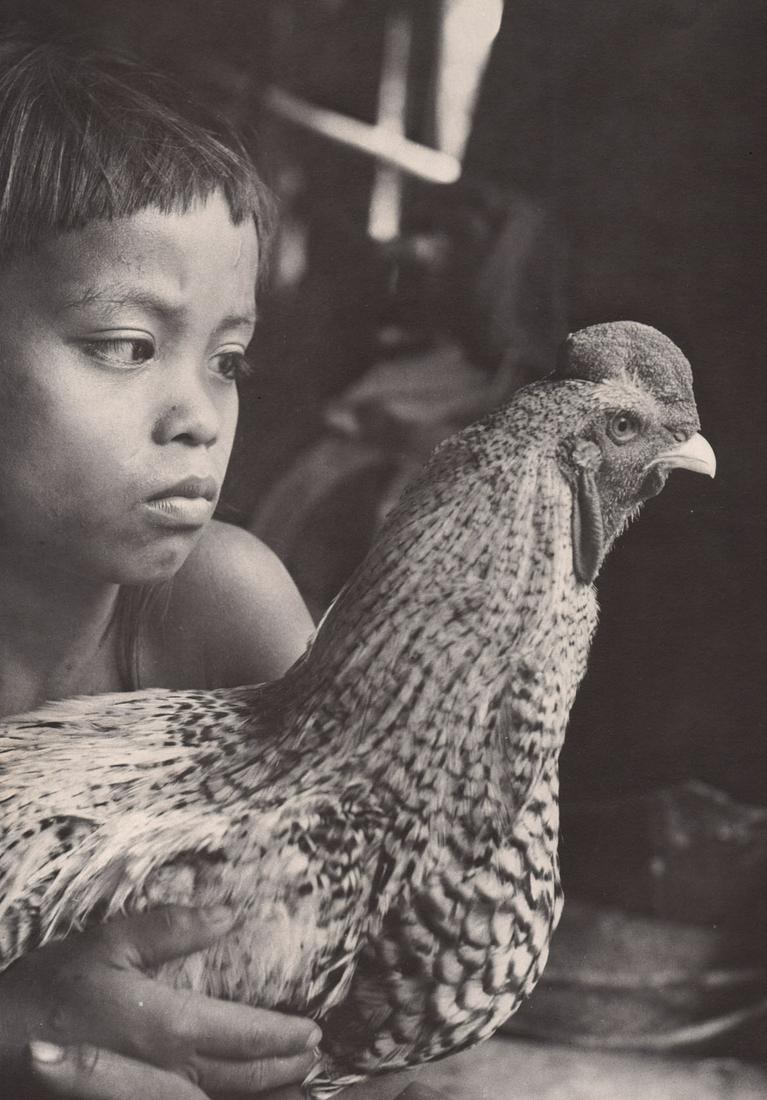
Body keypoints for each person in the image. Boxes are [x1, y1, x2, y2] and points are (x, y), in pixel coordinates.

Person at [0, 34, 446, 1100]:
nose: (199, 417)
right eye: (124, 343)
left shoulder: (223, 613)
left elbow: (380, 949)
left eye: (229, 360)